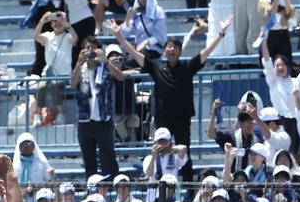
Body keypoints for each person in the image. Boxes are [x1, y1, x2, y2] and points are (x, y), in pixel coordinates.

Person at [109, 15, 233, 147]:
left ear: (180, 52)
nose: (172, 49)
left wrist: (220, 34)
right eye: (169, 46)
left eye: (175, 47)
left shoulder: (188, 67)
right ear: (164, 51)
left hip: (182, 118)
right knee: (161, 152)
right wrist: (119, 36)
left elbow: (206, 52)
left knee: (183, 152)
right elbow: (134, 53)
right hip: (163, 118)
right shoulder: (156, 68)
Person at [72, 38, 124, 177]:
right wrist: (78, 62)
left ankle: (112, 185)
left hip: (103, 120)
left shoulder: (105, 67)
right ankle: (92, 189)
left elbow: (120, 77)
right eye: (87, 48)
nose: (90, 51)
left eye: (93, 48)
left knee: (108, 156)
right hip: (85, 121)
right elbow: (73, 82)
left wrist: (106, 61)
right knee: (89, 159)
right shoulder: (81, 68)